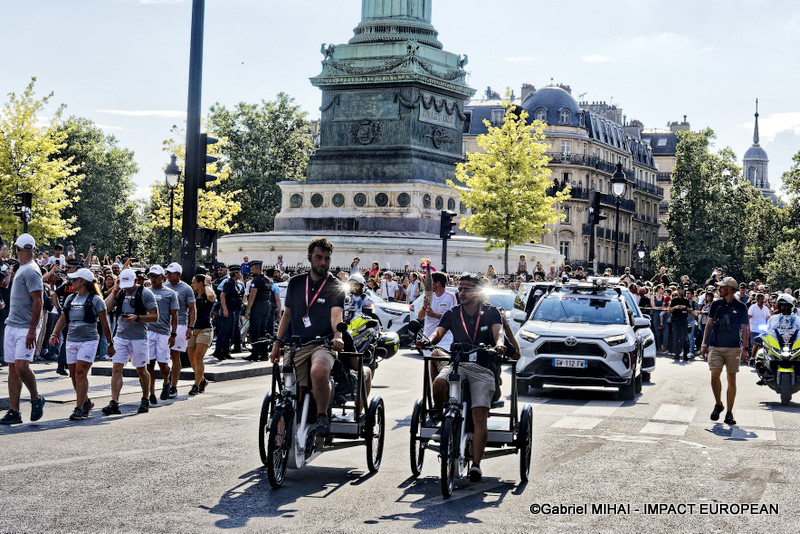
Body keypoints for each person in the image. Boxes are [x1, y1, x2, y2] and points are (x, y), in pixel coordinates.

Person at [422, 274, 506, 483]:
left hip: (482, 368)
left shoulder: (490, 312)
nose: (462, 293)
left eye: (467, 289)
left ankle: (476, 465)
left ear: (477, 293)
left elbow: (499, 332)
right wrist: (428, 341)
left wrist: (499, 344)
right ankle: (444, 420)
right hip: (458, 364)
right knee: (439, 383)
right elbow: (438, 333)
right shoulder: (453, 313)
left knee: (479, 414)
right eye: (460, 289)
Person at [270, 237, 345, 438]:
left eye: (327, 259)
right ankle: (288, 422)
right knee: (291, 387)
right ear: (309, 257)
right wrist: (277, 343)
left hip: (323, 343)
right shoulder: (295, 283)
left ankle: (321, 416)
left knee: (319, 371)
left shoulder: (335, 285)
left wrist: (338, 336)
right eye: (319, 257)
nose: (323, 262)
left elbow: (336, 315)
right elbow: (286, 316)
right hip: (297, 343)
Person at [48, 268, 114, 420]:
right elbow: (63, 319)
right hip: (71, 340)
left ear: (82, 282)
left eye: (74, 279)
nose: (71, 282)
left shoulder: (96, 300)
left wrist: (110, 343)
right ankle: (86, 402)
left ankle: (78, 408)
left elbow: (105, 323)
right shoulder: (71, 298)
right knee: (73, 374)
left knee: (80, 372)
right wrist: (54, 333)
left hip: (89, 340)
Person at [0, 235, 46, 425]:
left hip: (25, 327)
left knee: (20, 366)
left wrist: (32, 330)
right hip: (12, 324)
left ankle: (36, 397)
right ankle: (14, 411)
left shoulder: (31, 270)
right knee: (12, 368)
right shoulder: (22, 268)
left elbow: (39, 301)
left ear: (17, 248)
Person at [102, 269, 158, 415]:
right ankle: (114, 402)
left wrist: (137, 318)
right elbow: (105, 308)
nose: (126, 287)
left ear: (136, 281)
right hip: (121, 336)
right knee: (116, 368)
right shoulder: (120, 293)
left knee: (141, 370)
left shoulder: (146, 293)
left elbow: (155, 316)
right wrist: (114, 290)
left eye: (128, 283)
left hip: (139, 336)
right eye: (123, 283)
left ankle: (145, 399)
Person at [700, 277, 749, 426]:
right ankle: (718, 404)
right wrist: (703, 344)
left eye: (721, 287)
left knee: (731, 379)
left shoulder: (741, 307)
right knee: (715, 374)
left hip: (733, 347)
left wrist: (745, 349)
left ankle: (729, 412)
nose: (719, 289)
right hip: (715, 345)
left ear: (729, 289)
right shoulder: (716, 305)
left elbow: (745, 329)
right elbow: (708, 325)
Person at [144, 265, 178, 404]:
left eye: (156, 277)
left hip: (163, 332)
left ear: (162, 278)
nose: (153, 279)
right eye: (151, 276)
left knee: (163, 364)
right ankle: (151, 393)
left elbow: (174, 315)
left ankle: (166, 381)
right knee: (149, 364)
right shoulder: (146, 292)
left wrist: (174, 334)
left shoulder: (170, 293)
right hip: (148, 331)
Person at [417, 271, 457, 384]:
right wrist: (424, 308)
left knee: (443, 371)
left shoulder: (450, 297)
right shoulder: (429, 297)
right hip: (428, 338)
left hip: (444, 339)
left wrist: (435, 315)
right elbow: (420, 317)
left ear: (438, 283)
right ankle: (432, 398)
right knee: (430, 374)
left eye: (431, 282)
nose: (428, 285)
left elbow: (453, 318)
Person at [165, 262, 196, 398]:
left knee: (175, 356)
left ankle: (173, 386)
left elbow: (192, 309)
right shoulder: (163, 286)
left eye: (171, 273)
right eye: (167, 273)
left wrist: (190, 327)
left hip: (180, 324)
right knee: (162, 357)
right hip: (164, 325)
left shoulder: (186, 289)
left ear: (178, 275)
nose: (168, 275)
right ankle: (166, 382)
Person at [244, 260, 281, 361]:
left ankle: (255, 352)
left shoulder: (256, 281)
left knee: (254, 330)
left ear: (257, 268)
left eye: (252, 269)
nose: (251, 271)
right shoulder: (267, 280)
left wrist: (247, 310)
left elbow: (252, 296)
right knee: (262, 331)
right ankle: (264, 353)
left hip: (258, 306)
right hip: (266, 306)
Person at [188, 274, 214, 395]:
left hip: (205, 329)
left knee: (199, 357)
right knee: (192, 359)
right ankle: (202, 380)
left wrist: (207, 284)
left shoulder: (208, 293)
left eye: (194, 282)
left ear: (200, 283)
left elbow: (210, 296)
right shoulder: (192, 294)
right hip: (193, 329)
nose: (192, 284)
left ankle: (196, 385)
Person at [216, 264, 244, 360]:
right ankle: (219, 351)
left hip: (232, 310)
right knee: (224, 331)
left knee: (229, 332)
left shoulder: (234, 283)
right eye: (239, 272)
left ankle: (225, 351)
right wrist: (224, 309)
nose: (240, 274)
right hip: (228, 309)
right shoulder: (229, 283)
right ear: (235, 273)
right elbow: (222, 296)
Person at [668, 286, 691, 361]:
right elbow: (669, 311)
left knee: (684, 338)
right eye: (679, 290)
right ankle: (676, 354)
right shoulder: (674, 300)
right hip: (675, 320)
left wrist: (684, 307)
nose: (681, 291)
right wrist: (676, 307)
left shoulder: (686, 300)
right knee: (676, 337)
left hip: (683, 320)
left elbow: (690, 310)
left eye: (682, 290)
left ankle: (685, 354)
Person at [747, 293, 771, 361]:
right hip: (754, 329)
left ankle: (759, 358)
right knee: (757, 343)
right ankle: (752, 358)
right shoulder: (753, 307)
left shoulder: (765, 308)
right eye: (761, 299)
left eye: (763, 299)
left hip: (763, 329)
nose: (763, 301)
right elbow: (748, 317)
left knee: (762, 344)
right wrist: (748, 328)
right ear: (757, 300)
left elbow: (769, 317)